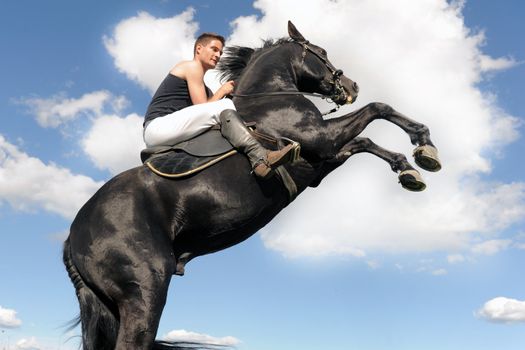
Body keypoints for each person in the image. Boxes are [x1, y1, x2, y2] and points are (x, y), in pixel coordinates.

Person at [143, 32, 295, 179]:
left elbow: (210, 110)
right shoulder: (191, 66)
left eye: (220, 53)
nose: (218, 55)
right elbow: (202, 106)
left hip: (169, 130)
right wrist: (222, 91)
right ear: (199, 49)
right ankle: (260, 157)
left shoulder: (205, 88)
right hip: (158, 128)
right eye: (214, 49)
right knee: (224, 104)